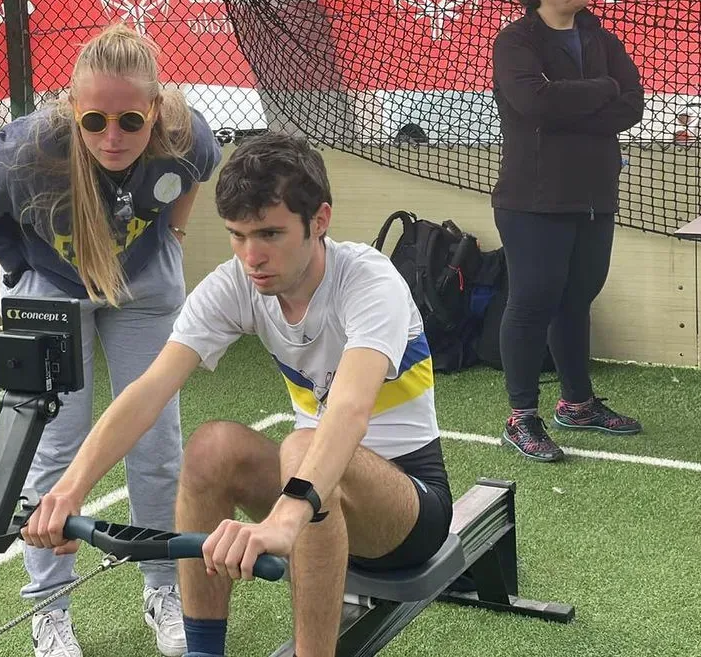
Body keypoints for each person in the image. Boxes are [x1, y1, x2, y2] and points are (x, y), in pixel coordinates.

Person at [23, 132, 452, 657]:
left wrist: (288, 515)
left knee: (302, 446)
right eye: (238, 235)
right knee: (211, 447)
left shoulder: (368, 281)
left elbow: (350, 409)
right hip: (311, 499)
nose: (253, 256)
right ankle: (204, 651)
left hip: (406, 511)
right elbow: (149, 390)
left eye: (270, 234)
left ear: (319, 220)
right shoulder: (237, 285)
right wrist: (68, 491)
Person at [0, 23, 222, 657]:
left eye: (130, 121)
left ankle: (163, 588)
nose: (112, 137)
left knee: (157, 442)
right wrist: (19, 261)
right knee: (53, 445)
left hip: (141, 285)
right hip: (51, 288)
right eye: (94, 120)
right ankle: (49, 610)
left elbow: (199, 171)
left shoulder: (185, 133)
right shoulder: (27, 149)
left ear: (155, 108)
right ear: (73, 107)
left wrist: (174, 236)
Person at [491, 0, 644, 463]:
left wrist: (574, 105)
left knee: (577, 297)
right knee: (532, 301)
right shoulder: (516, 42)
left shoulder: (601, 38)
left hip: (595, 195)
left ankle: (577, 404)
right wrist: (601, 90)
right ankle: (521, 417)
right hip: (532, 199)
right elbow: (535, 103)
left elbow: (632, 104)